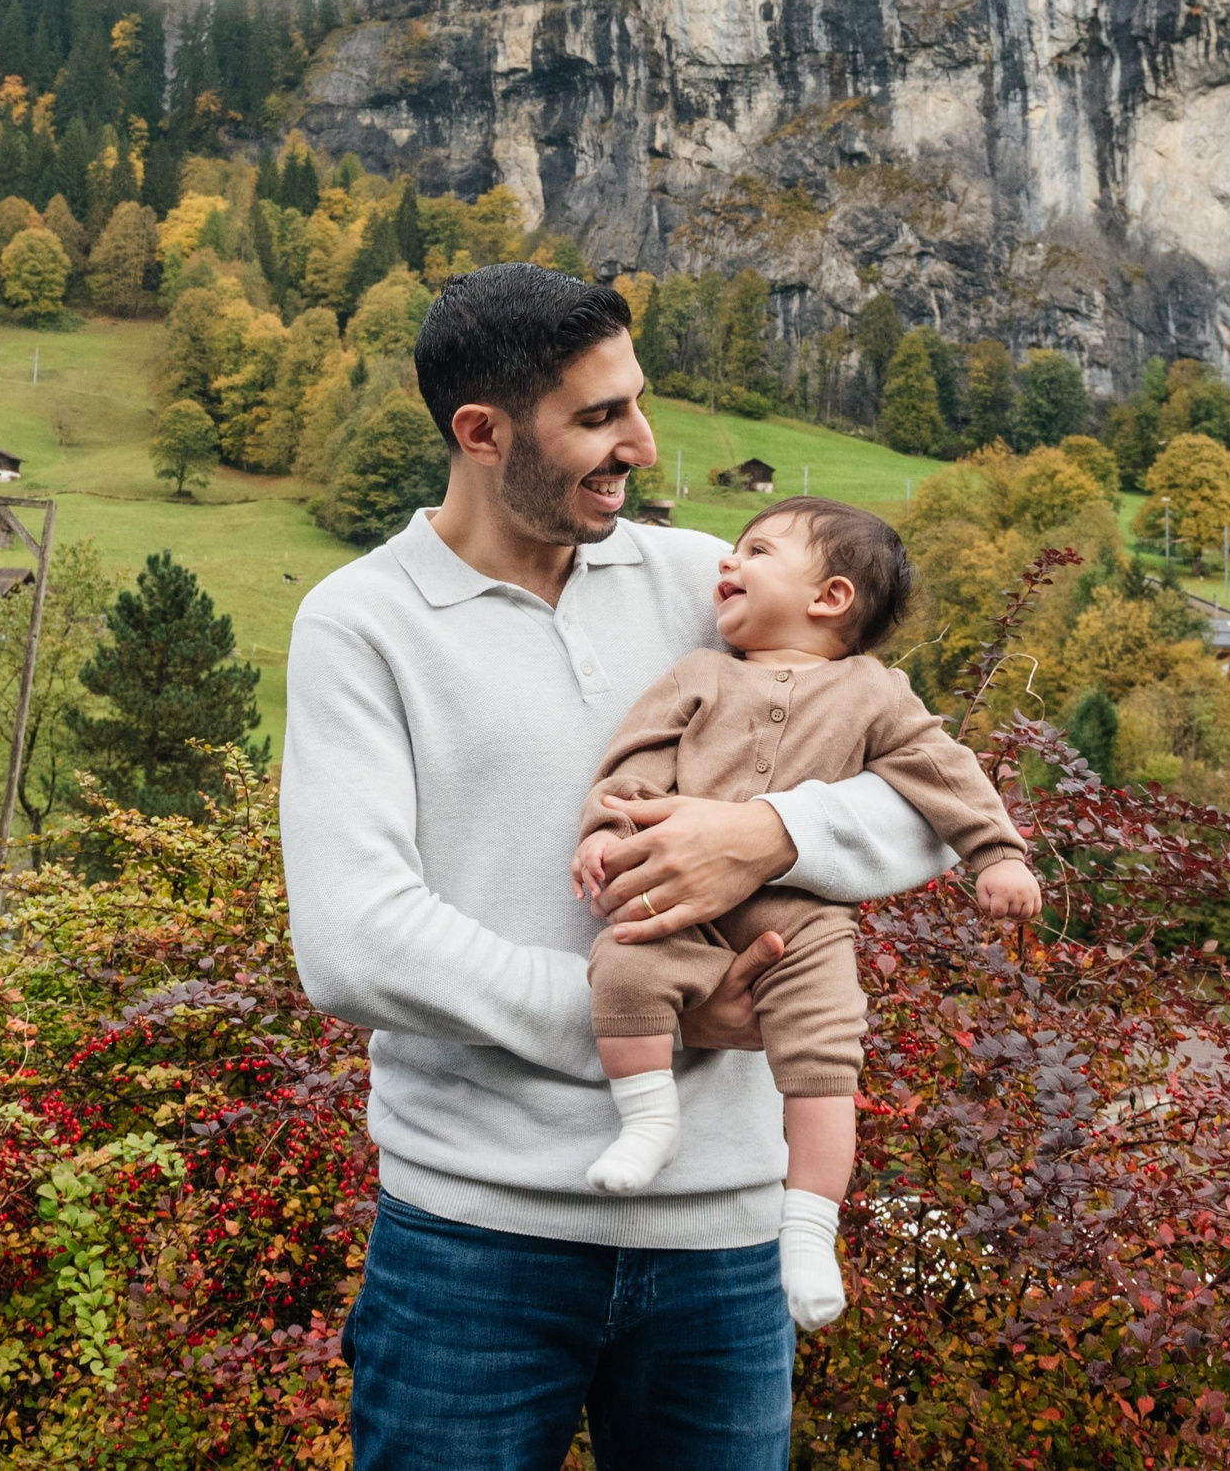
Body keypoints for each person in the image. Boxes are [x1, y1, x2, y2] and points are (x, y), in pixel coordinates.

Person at [282, 264, 952, 1469]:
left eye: (635, 402)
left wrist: (769, 835)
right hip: (472, 1240)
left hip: (729, 1245)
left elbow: (927, 796)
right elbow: (355, 938)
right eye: (598, 418)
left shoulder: (710, 584)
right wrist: (657, 1016)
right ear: (480, 433)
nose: (639, 442)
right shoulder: (360, 620)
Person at [572, 498, 1041, 1331]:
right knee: (624, 964)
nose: (726, 563)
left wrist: (997, 851)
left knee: (826, 1054)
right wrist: (607, 830)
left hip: (805, 921)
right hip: (677, 909)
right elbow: (634, 759)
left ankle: (808, 1227)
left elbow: (943, 770)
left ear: (828, 597)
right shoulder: (699, 673)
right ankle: (648, 1119)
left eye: (754, 550)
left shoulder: (872, 691)